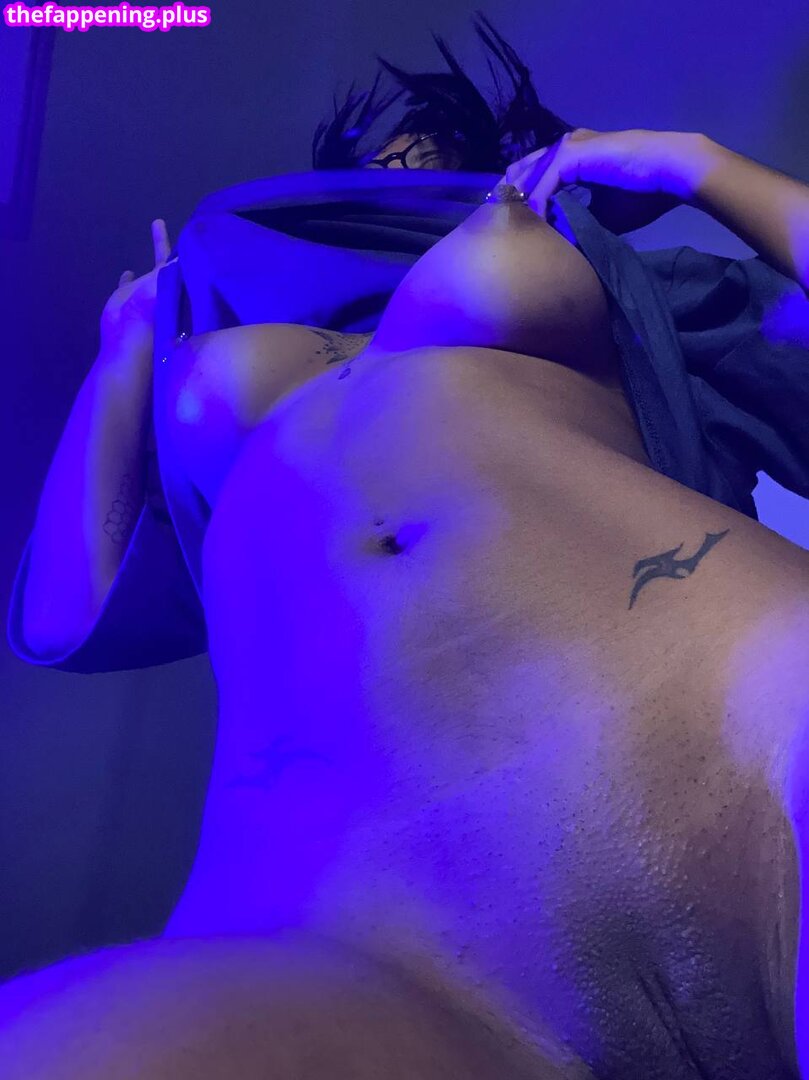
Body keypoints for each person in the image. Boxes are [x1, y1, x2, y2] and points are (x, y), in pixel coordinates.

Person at [4, 12, 809, 1079]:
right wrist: (124, 352)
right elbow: (63, 615)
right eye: (378, 160)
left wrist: (686, 164)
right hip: (345, 891)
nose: (400, 169)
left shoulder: (593, 266)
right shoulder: (220, 324)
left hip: (724, 699)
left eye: (431, 152)